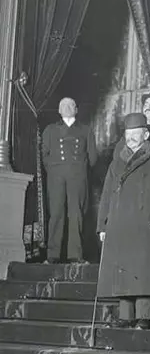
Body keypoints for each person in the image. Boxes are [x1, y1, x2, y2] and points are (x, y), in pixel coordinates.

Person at [96, 113, 150, 330]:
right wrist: (103, 224)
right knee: (124, 269)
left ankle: (145, 315)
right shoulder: (117, 161)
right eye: (127, 134)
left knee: (144, 269)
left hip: (146, 223)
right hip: (120, 224)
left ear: (146, 134)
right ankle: (126, 315)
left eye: (135, 133)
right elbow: (107, 194)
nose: (130, 138)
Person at [41, 97, 98, 263]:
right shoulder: (50, 129)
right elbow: (44, 154)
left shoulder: (86, 130)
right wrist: (53, 169)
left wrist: (80, 170)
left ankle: (76, 255)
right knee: (56, 213)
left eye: (70, 104)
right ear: (58, 110)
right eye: (63, 105)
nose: (66, 107)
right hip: (56, 176)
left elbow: (92, 157)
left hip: (78, 175)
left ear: (76, 109)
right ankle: (52, 256)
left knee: (76, 214)